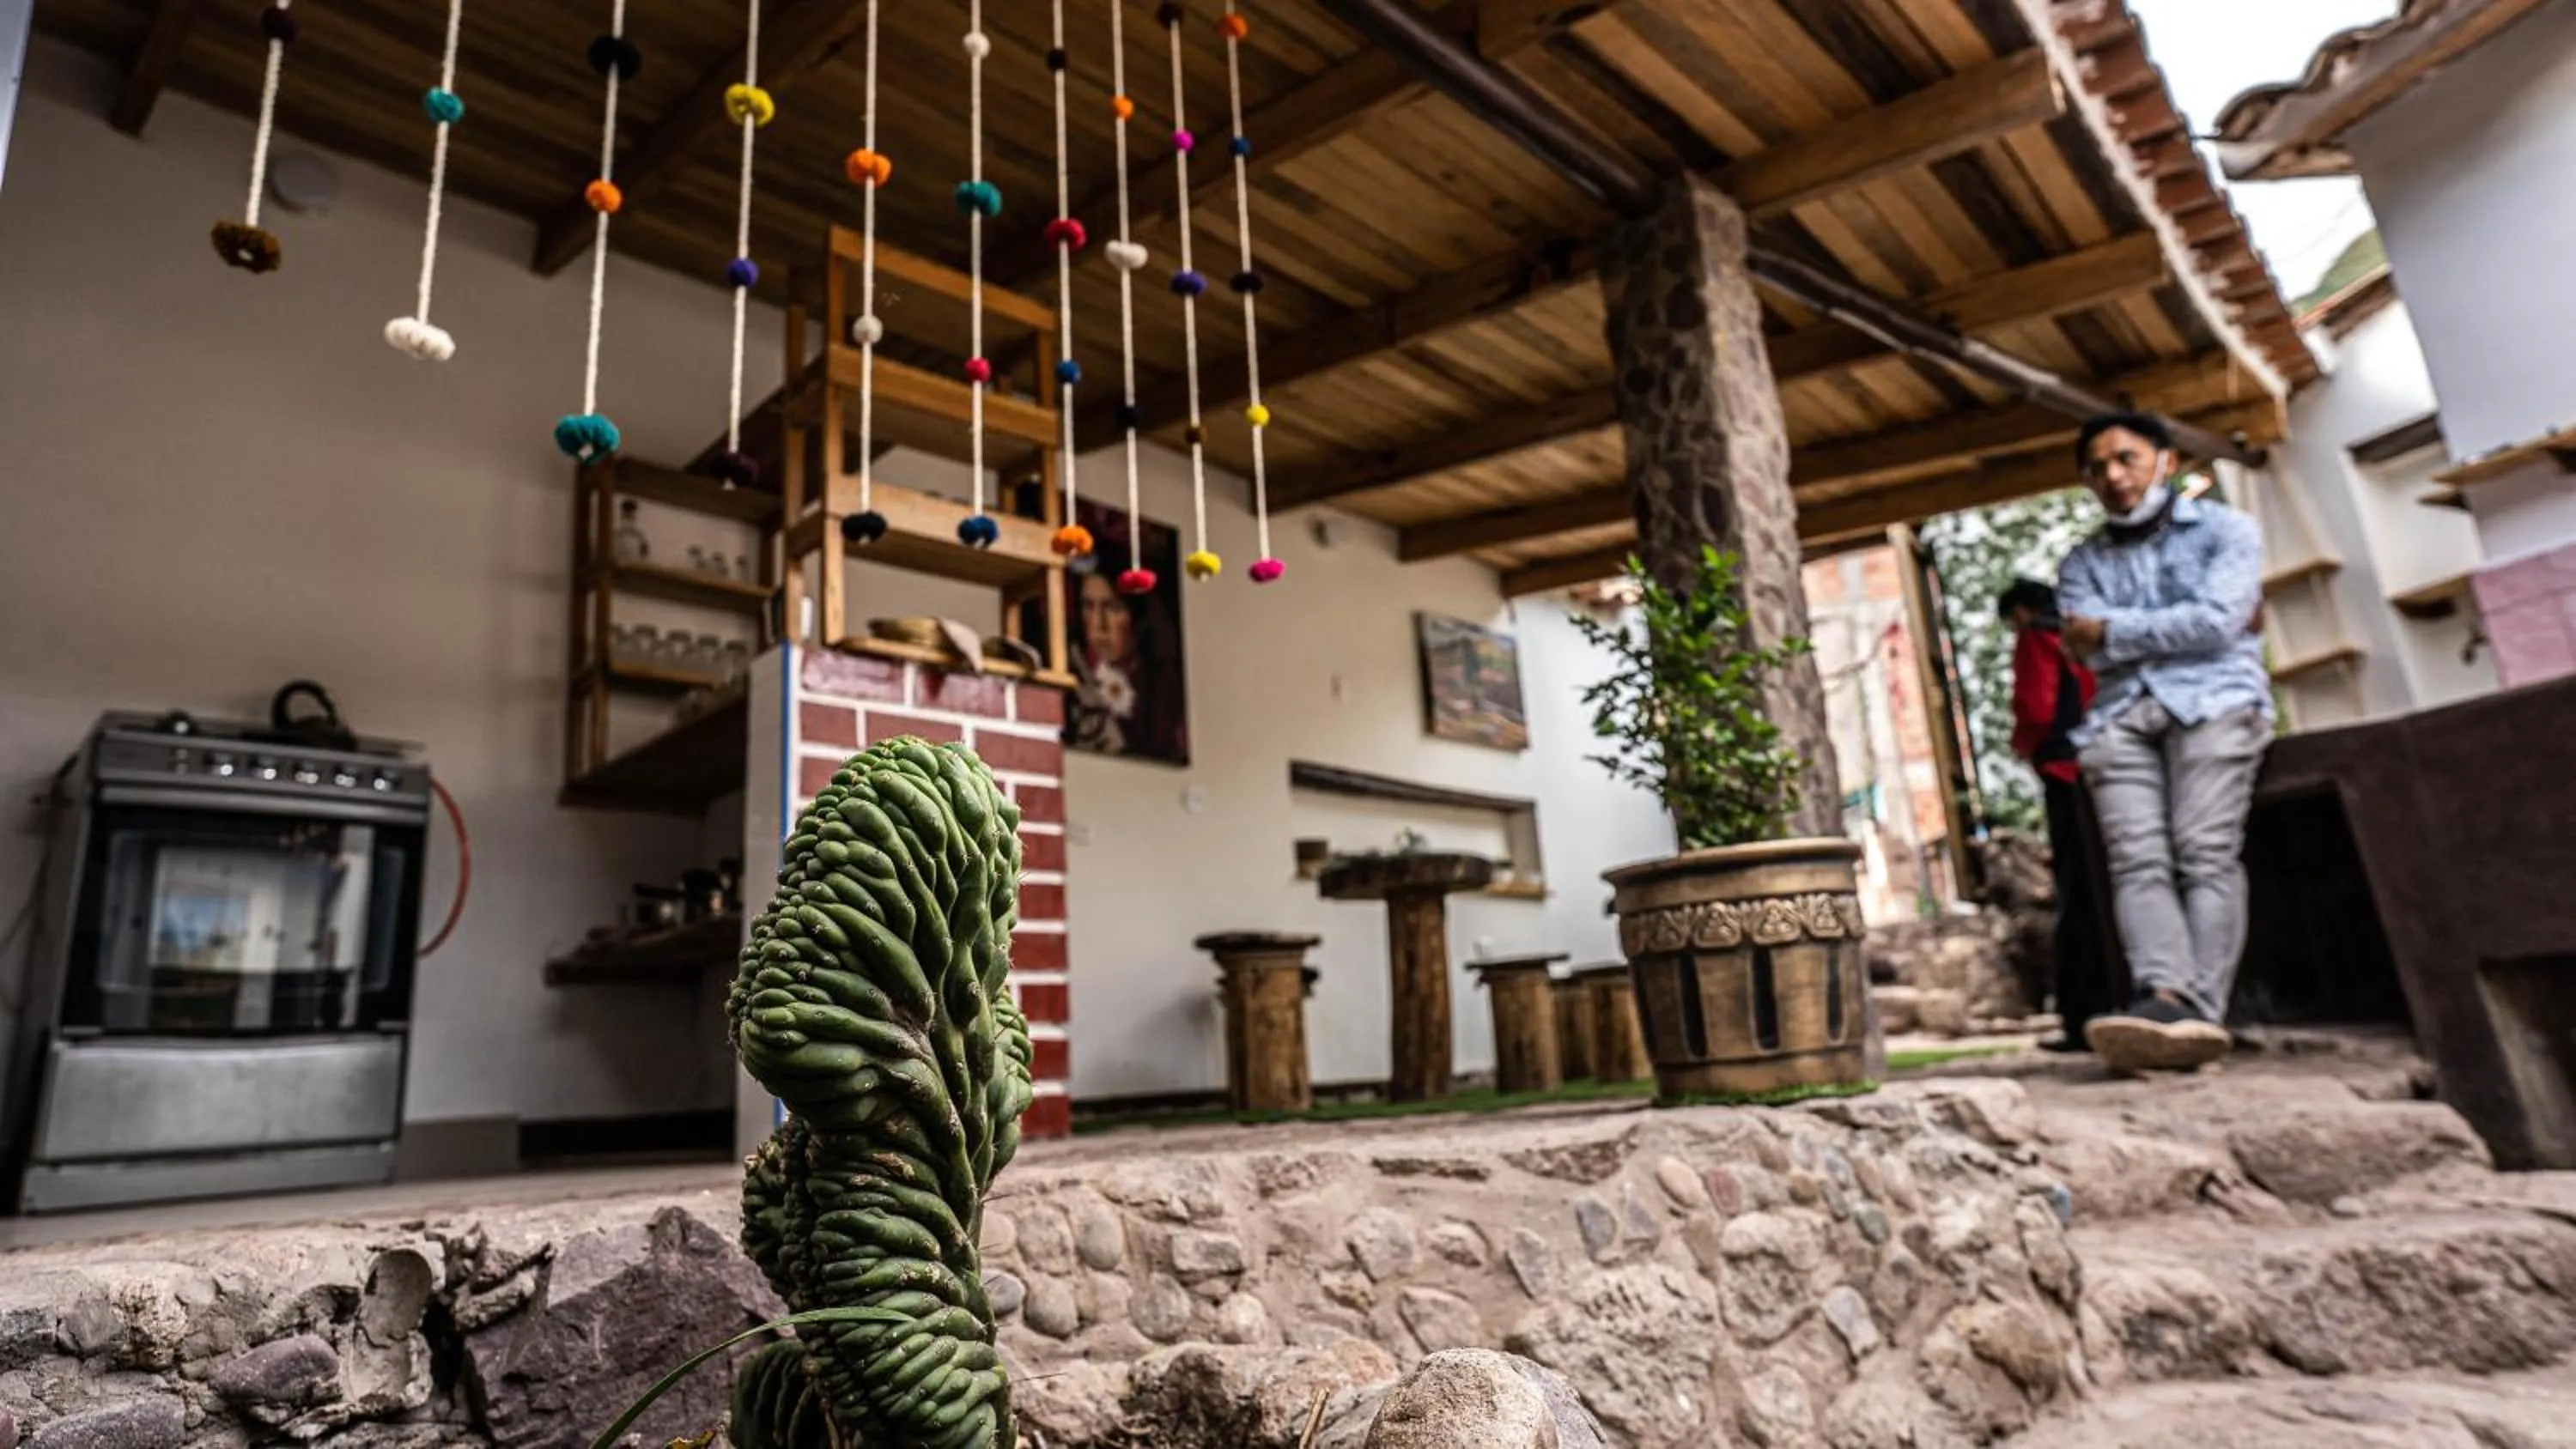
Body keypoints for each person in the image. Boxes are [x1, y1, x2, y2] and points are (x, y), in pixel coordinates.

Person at [2056, 411, 2271, 1074]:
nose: (2113, 476)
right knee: (2137, 861)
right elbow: (2079, 648)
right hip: (2119, 720)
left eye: (2125, 458)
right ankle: (2163, 996)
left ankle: (2200, 1012)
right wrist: (2159, 630)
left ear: (2165, 462)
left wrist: (2111, 631)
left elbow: (2217, 623)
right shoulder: (2080, 562)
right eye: (2097, 467)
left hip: (2217, 704)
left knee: (2203, 851)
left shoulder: (2228, 531)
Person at [1996, 577, 2111, 1053]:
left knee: (2077, 890)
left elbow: (2036, 706)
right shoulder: (2081, 634)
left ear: (2019, 613)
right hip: (2103, 767)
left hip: (2064, 770)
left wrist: (2025, 747)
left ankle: (2083, 1015)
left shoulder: (2036, 640)